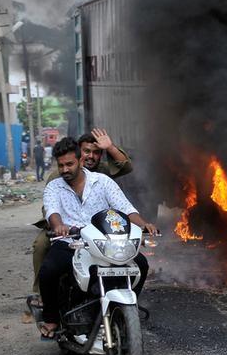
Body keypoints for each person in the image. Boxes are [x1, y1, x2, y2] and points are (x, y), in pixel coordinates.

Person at [37, 138, 155, 338]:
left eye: (69, 164)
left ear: (80, 160)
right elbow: (52, 211)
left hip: (104, 245)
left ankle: (127, 311)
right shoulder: (54, 187)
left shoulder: (102, 182)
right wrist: (58, 226)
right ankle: (51, 319)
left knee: (141, 264)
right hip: (71, 243)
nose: (65, 169)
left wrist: (143, 224)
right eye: (61, 165)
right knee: (48, 271)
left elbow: (126, 208)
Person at [30, 128, 137, 300]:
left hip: (99, 229)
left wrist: (110, 147)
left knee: (133, 260)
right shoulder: (58, 177)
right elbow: (50, 207)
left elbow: (126, 168)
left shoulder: (102, 173)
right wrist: (58, 225)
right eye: (87, 151)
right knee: (42, 246)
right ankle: (41, 294)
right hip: (66, 229)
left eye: (96, 152)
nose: (90, 157)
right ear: (79, 153)